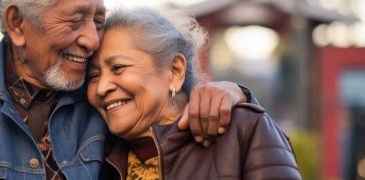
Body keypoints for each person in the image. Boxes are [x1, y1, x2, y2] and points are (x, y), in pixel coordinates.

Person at [0, 0, 253, 179]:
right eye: (75, 21)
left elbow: (166, 116)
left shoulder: (105, 103)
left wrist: (232, 92)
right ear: (17, 23)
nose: (91, 39)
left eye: (98, 20)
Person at [87, 8, 301, 179]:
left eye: (118, 68)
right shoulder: (94, 158)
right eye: (94, 76)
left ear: (175, 70)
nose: (102, 87)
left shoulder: (241, 129)